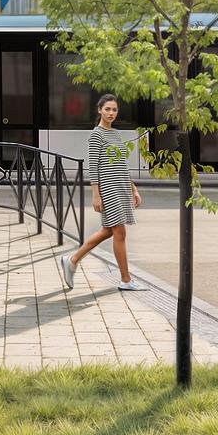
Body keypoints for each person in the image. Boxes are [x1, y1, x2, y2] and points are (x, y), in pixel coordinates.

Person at [58, 93, 143, 292]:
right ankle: (125, 280)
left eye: (114, 109)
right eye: (107, 109)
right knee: (119, 232)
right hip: (108, 189)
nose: (111, 113)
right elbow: (93, 167)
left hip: (121, 187)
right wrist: (96, 195)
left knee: (108, 231)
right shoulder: (96, 135)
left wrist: (134, 189)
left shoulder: (116, 134)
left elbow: (122, 164)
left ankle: (72, 260)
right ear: (99, 110)